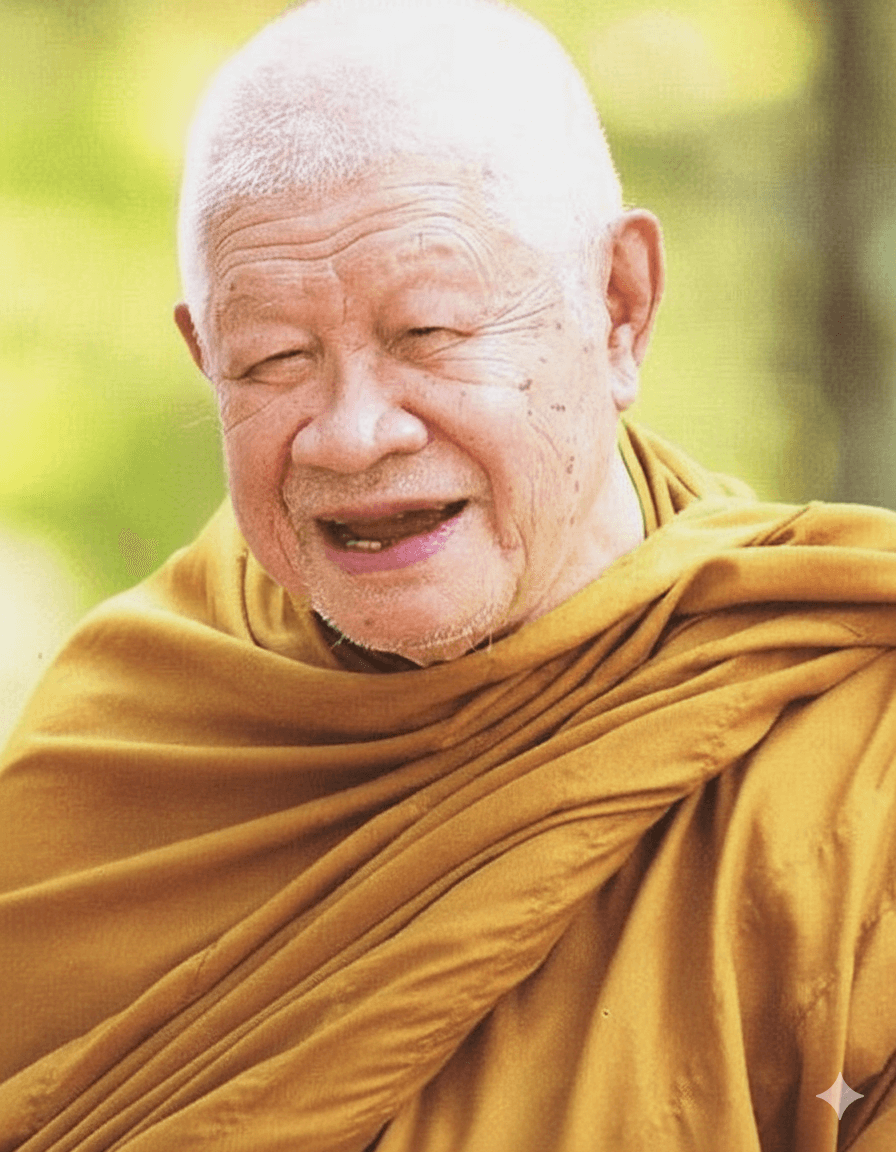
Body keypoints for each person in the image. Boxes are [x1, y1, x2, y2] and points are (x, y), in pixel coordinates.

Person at [1, 1, 895, 1148]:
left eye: (428, 334)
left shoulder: (852, 755)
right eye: (273, 359)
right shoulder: (120, 751)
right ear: (204, 357)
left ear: (618, 307)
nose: (350, 434)